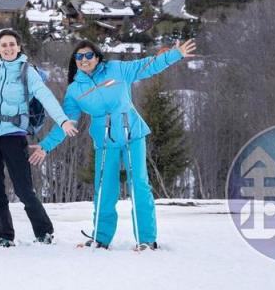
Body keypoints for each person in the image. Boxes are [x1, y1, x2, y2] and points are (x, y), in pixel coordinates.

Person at [29, 38, 197, 250]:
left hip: (132, 134)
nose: (84, 59)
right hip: (105, 141)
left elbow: (148, 65)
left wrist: (175, 54)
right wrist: (45, 146)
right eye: (79, 56)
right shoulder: (74, 90)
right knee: (104, 189)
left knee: (139, 185)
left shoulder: (117, 69)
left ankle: (146, 240)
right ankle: (100, 239)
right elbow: (66, 123)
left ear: (97, 57)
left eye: (89, 55)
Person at [0, 29, 77, 246]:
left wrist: (62, 121)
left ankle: (44, 231)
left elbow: (45, 96)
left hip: (14, 135)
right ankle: (4, 235)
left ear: (18, 47)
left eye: (12, 44)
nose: (8, 48)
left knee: (23, 188)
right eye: (4, 45)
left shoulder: (28, 72)